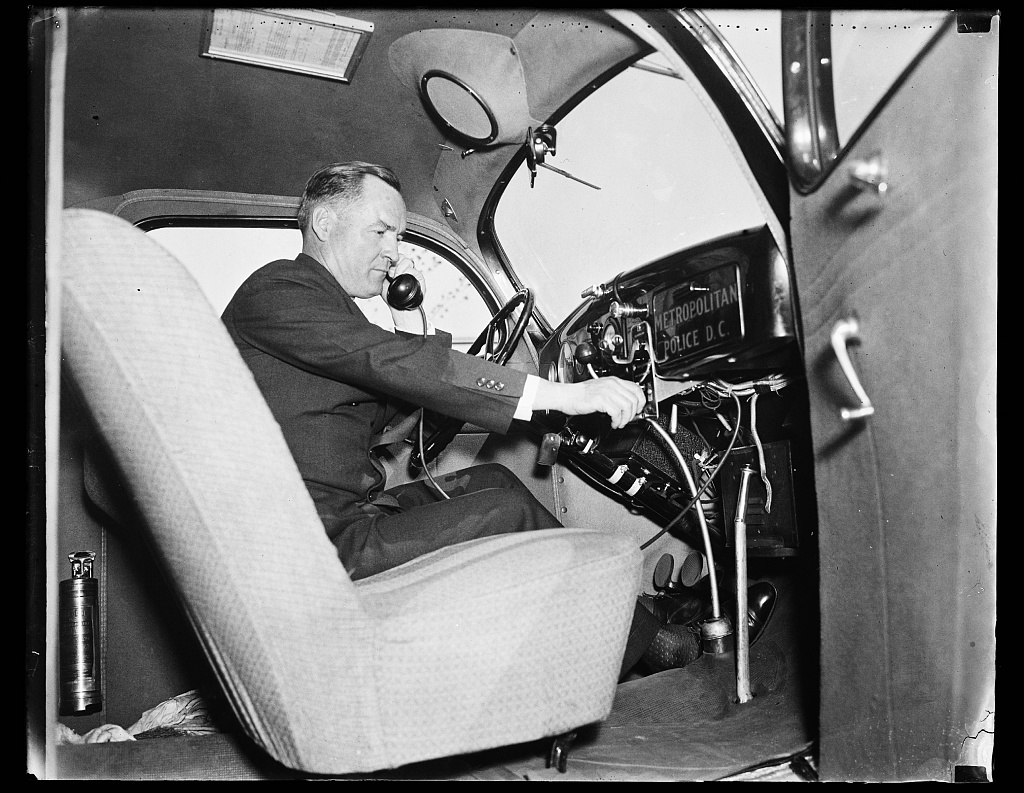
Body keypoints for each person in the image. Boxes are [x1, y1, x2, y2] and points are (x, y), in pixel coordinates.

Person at [222, 161, 701, 676]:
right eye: (381, 232)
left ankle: (624, 630)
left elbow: (387, 403)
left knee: (493, 480)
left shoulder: (327, 313)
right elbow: (387, 362)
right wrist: (562, 396)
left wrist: (431, 353)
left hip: (341, 518)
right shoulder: (278, 290)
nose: (394, 252)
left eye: (400, 236)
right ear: (323, 224)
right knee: (503, 514)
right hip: (315, 548)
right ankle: (644, 651)